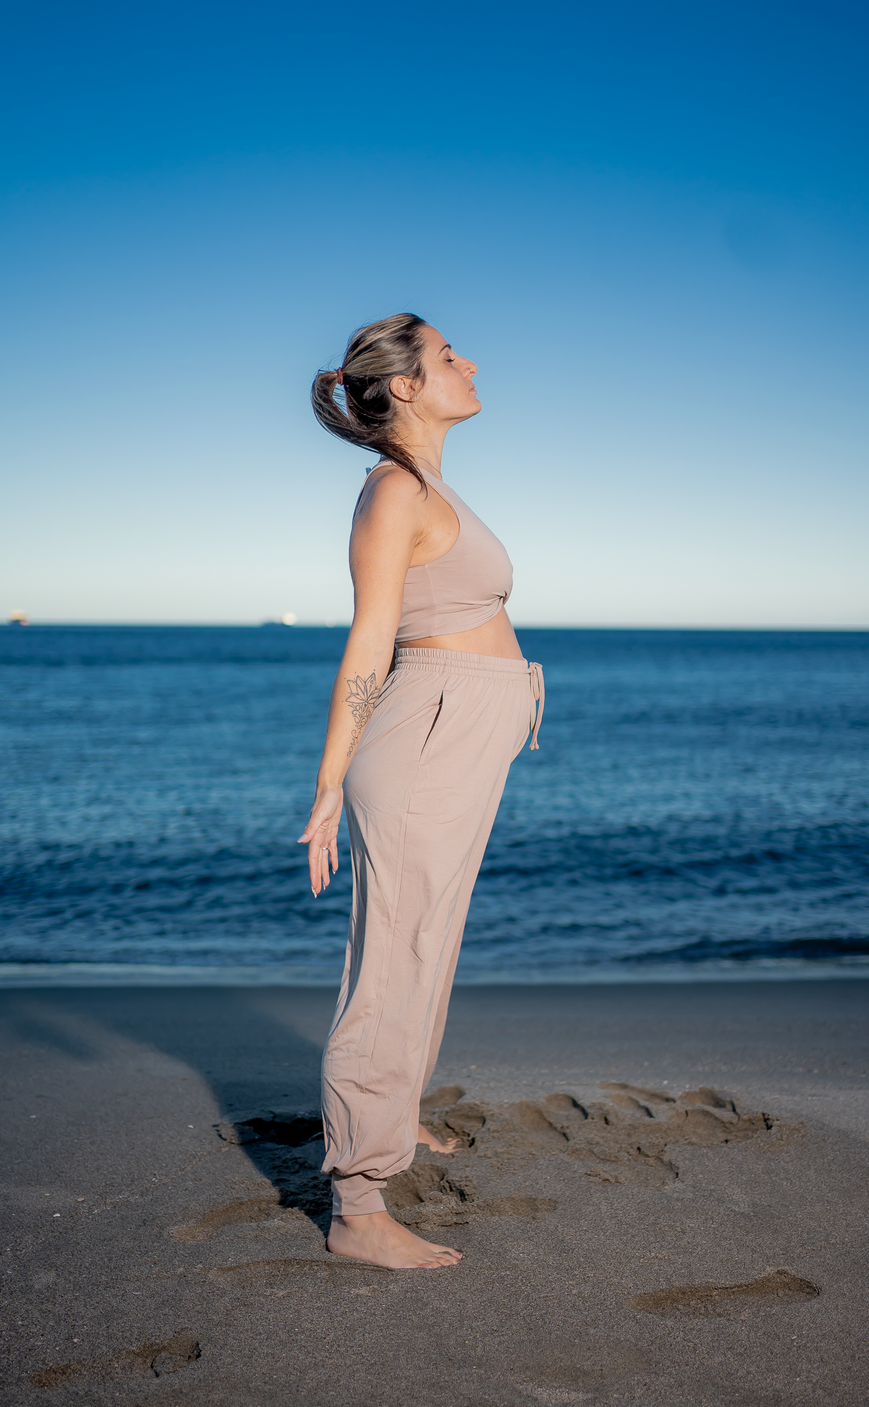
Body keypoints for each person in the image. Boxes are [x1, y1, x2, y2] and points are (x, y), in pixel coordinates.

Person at [299, 314, 544, 1269]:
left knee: (428, 944)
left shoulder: (433, 485)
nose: (470, 361)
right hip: (428, 736)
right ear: (403, 386)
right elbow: (371, 640)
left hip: (465, 732)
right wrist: (327, 783)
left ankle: (394, 1118)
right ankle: (359, 1206)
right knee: (394, 957)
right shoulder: (392, 491)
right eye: (449, 355)